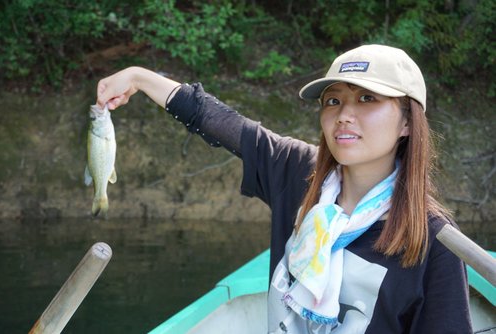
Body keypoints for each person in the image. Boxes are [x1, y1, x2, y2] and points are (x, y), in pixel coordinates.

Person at [96, 45, 472, 333]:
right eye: (334, 100)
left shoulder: (436, 241)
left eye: (367, 98)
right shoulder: (301, 176)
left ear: (408, 121)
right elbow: (214, 118)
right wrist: (139, 77)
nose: (343, 113)